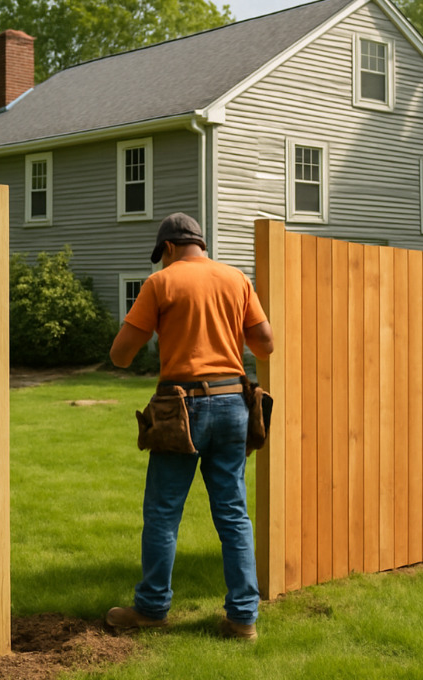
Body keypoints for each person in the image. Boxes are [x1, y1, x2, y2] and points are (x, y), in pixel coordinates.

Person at [105, 212, 274, 641]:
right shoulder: (236, 279)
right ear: (199, 243)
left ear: (168, 249)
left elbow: (121, 355)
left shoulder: (160, 283)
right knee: (234, 514)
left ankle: (152, 610)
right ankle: (243, 619)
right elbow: (265, 344)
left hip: (182, 409)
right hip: (235, 402)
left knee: (163, 513)